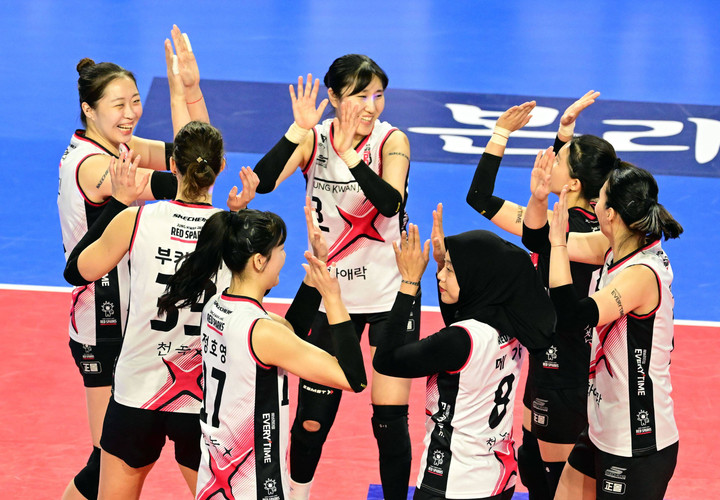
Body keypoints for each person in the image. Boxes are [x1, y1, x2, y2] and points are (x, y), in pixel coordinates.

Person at [252, 54, 419, 499]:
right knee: (311, 421)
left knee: (389, 422)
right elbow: (264, 182)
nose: (371, 106)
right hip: (331, 296)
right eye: (359, 96)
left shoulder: (392, 141)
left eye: (378, 95)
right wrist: (297, 129)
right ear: (333, 96)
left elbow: (390, 203)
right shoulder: (314, 139)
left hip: (389, 296)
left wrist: (349, 156)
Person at [63, 117, 256, 499]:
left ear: (172, 166)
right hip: (202, 399)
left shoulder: (137, 219)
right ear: (221, 166)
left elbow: (77, 271)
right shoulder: (233, 233)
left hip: (138, 392)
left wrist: (119, 201)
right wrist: (240, 213)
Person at [57, 25, 208, 500]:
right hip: (103, 325)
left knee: (109, 459)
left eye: (136, 102)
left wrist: (187, 90)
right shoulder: (93, 165)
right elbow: (187, 182)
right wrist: (184, 101)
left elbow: (193, 156)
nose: (130, 114)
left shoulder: (117, 147)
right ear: (89, 109)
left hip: (132, 321)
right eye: (118, 105)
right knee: (106, 460)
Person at [155, 200, 367, 499]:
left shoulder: (218, 306)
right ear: (258, 261)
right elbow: (353, 378)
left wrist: (316, 272)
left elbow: (289, 333)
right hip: (253, 484)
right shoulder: (262, 331)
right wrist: (332, 299)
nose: (285, 257)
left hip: (216, 476)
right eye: (280, 250)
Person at [465, 92, 618, 498]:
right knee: (533, 468)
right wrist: (563, 135)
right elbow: (531, 220)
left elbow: (524, 227)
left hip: (567, 373)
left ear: (574, 183)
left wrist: (502, 135)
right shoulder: (576, 219)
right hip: (545, 364)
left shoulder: (584, 236)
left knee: (556, 485)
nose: (549, 162)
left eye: (558, 160)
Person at [373, 223, 556, 500]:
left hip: (452, 483)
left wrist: (409, 283)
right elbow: (462, 322)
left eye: (450, 269)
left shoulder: (459, 341)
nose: (440, 276)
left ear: (476, 277)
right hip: (497, 478)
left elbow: (386, 361)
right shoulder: (515, 323)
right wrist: (441, 262)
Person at [540, 164, 682, 499]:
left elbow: (573, 316)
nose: (593, 203)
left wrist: (558, 244)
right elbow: (537, 238)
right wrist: (537, 201)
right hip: (602, 428)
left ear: (611, 214)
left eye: (600, 198)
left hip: (637, 442)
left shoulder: (641, 274)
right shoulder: (615, 248)